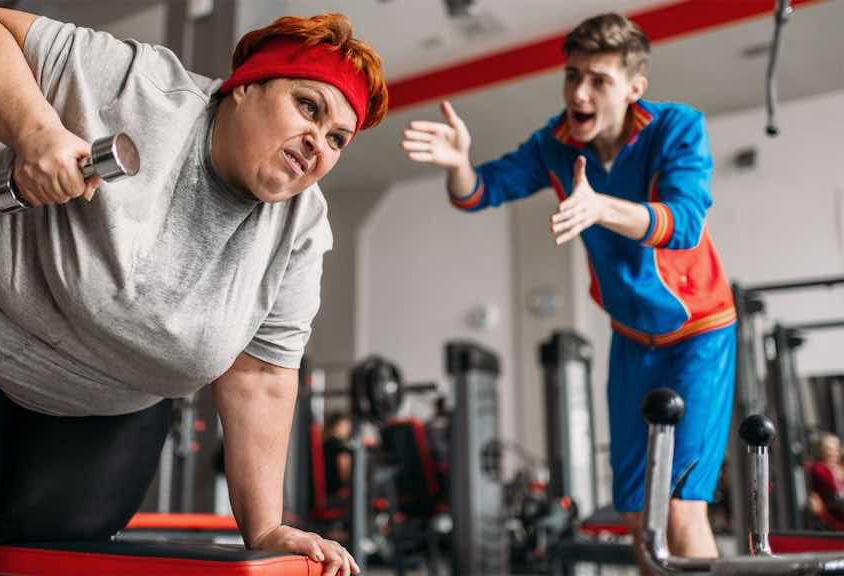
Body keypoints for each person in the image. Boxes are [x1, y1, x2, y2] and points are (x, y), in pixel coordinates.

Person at [0, 7, 387, 576]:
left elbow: (260, 376)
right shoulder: (139, 86)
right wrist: (35, 132)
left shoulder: (302, 229)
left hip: (97, 392)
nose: (317, 141)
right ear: (244, 90)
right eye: (307, 107)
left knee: (55, 552)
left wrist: (265, 527)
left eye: (338, 138)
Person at [401, 12, 736, 565]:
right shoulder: (553, 145)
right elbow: (480, 191)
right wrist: (459, 164)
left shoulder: (677, 127)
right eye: (572, 75)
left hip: (699, 331)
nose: (579, 92)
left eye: (598, 80)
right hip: (631, 337)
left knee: (679, 508)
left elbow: (685, 222)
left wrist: (601, 207)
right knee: (635, 512)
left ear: (633, 88)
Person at [808, 432, 844, 530]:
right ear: (821, 451)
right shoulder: (819, 469)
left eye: (835, 449)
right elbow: (832, 488)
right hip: (830, 522)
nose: (833, 453)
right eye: (828, 449)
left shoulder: (839, 468)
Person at [322, 412, 353, 500]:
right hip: (336, 492)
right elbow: (344, 468)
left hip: (329, 490)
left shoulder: (327, 443)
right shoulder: (338, 445)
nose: (349, 428)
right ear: (336, 425)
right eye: (346, 424)